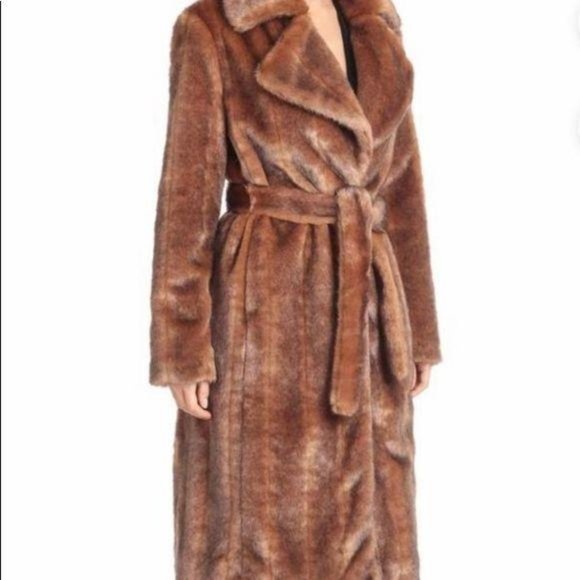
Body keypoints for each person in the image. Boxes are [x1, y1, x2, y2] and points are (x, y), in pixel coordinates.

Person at [149, 0, 442, 576]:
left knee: (373, 523)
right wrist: (182, 346)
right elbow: (187, 193)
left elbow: (402, 188)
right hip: (266, 306)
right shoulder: (214, 26)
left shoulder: (374, 22)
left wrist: (419, 329)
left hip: (370, 310)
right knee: (259, 517)